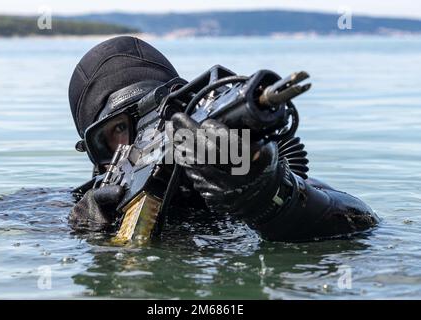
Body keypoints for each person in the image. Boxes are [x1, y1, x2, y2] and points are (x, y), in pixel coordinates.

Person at [67, 36, 379, 241]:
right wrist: (86, 233)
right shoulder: (74, 207)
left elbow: (360, 222)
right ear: (95, 155)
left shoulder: (237, 171)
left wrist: (261, 191)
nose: (139, 142)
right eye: (117, 131)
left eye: (158, 121)